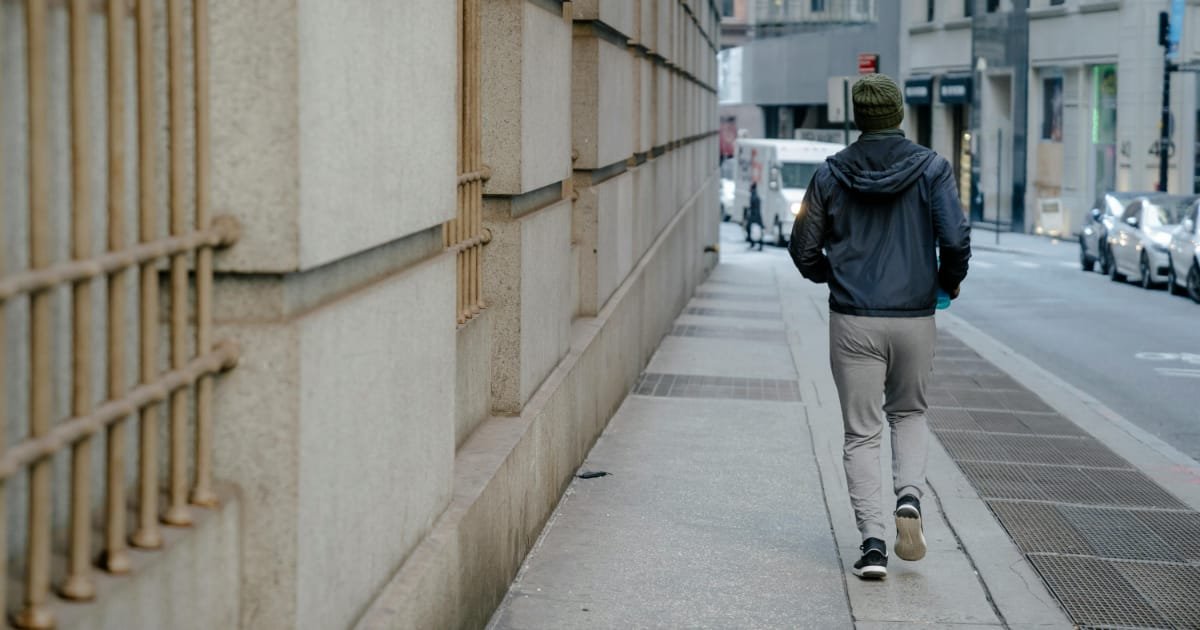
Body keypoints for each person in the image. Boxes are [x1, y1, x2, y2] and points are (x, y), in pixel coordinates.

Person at [788, 73, 970, 580]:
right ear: (898, 114)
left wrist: (834, 276)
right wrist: (946, 283)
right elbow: (955, 239)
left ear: (858, 118)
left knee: (861, 433)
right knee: (909, 413)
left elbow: (803, 247)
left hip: (854, 319)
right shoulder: (932, 169)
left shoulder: (830, 174)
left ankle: (873, 546)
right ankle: (909, 497)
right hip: (914, 317)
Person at [746, 183, 764, 251]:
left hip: (754, 216)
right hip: (757, 215)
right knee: (757, 230)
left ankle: (754, 243)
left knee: (750, 228)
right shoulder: (755, 194)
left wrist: (751, 215)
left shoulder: (753, 196)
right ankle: (757, 244)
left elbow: (753, 207)